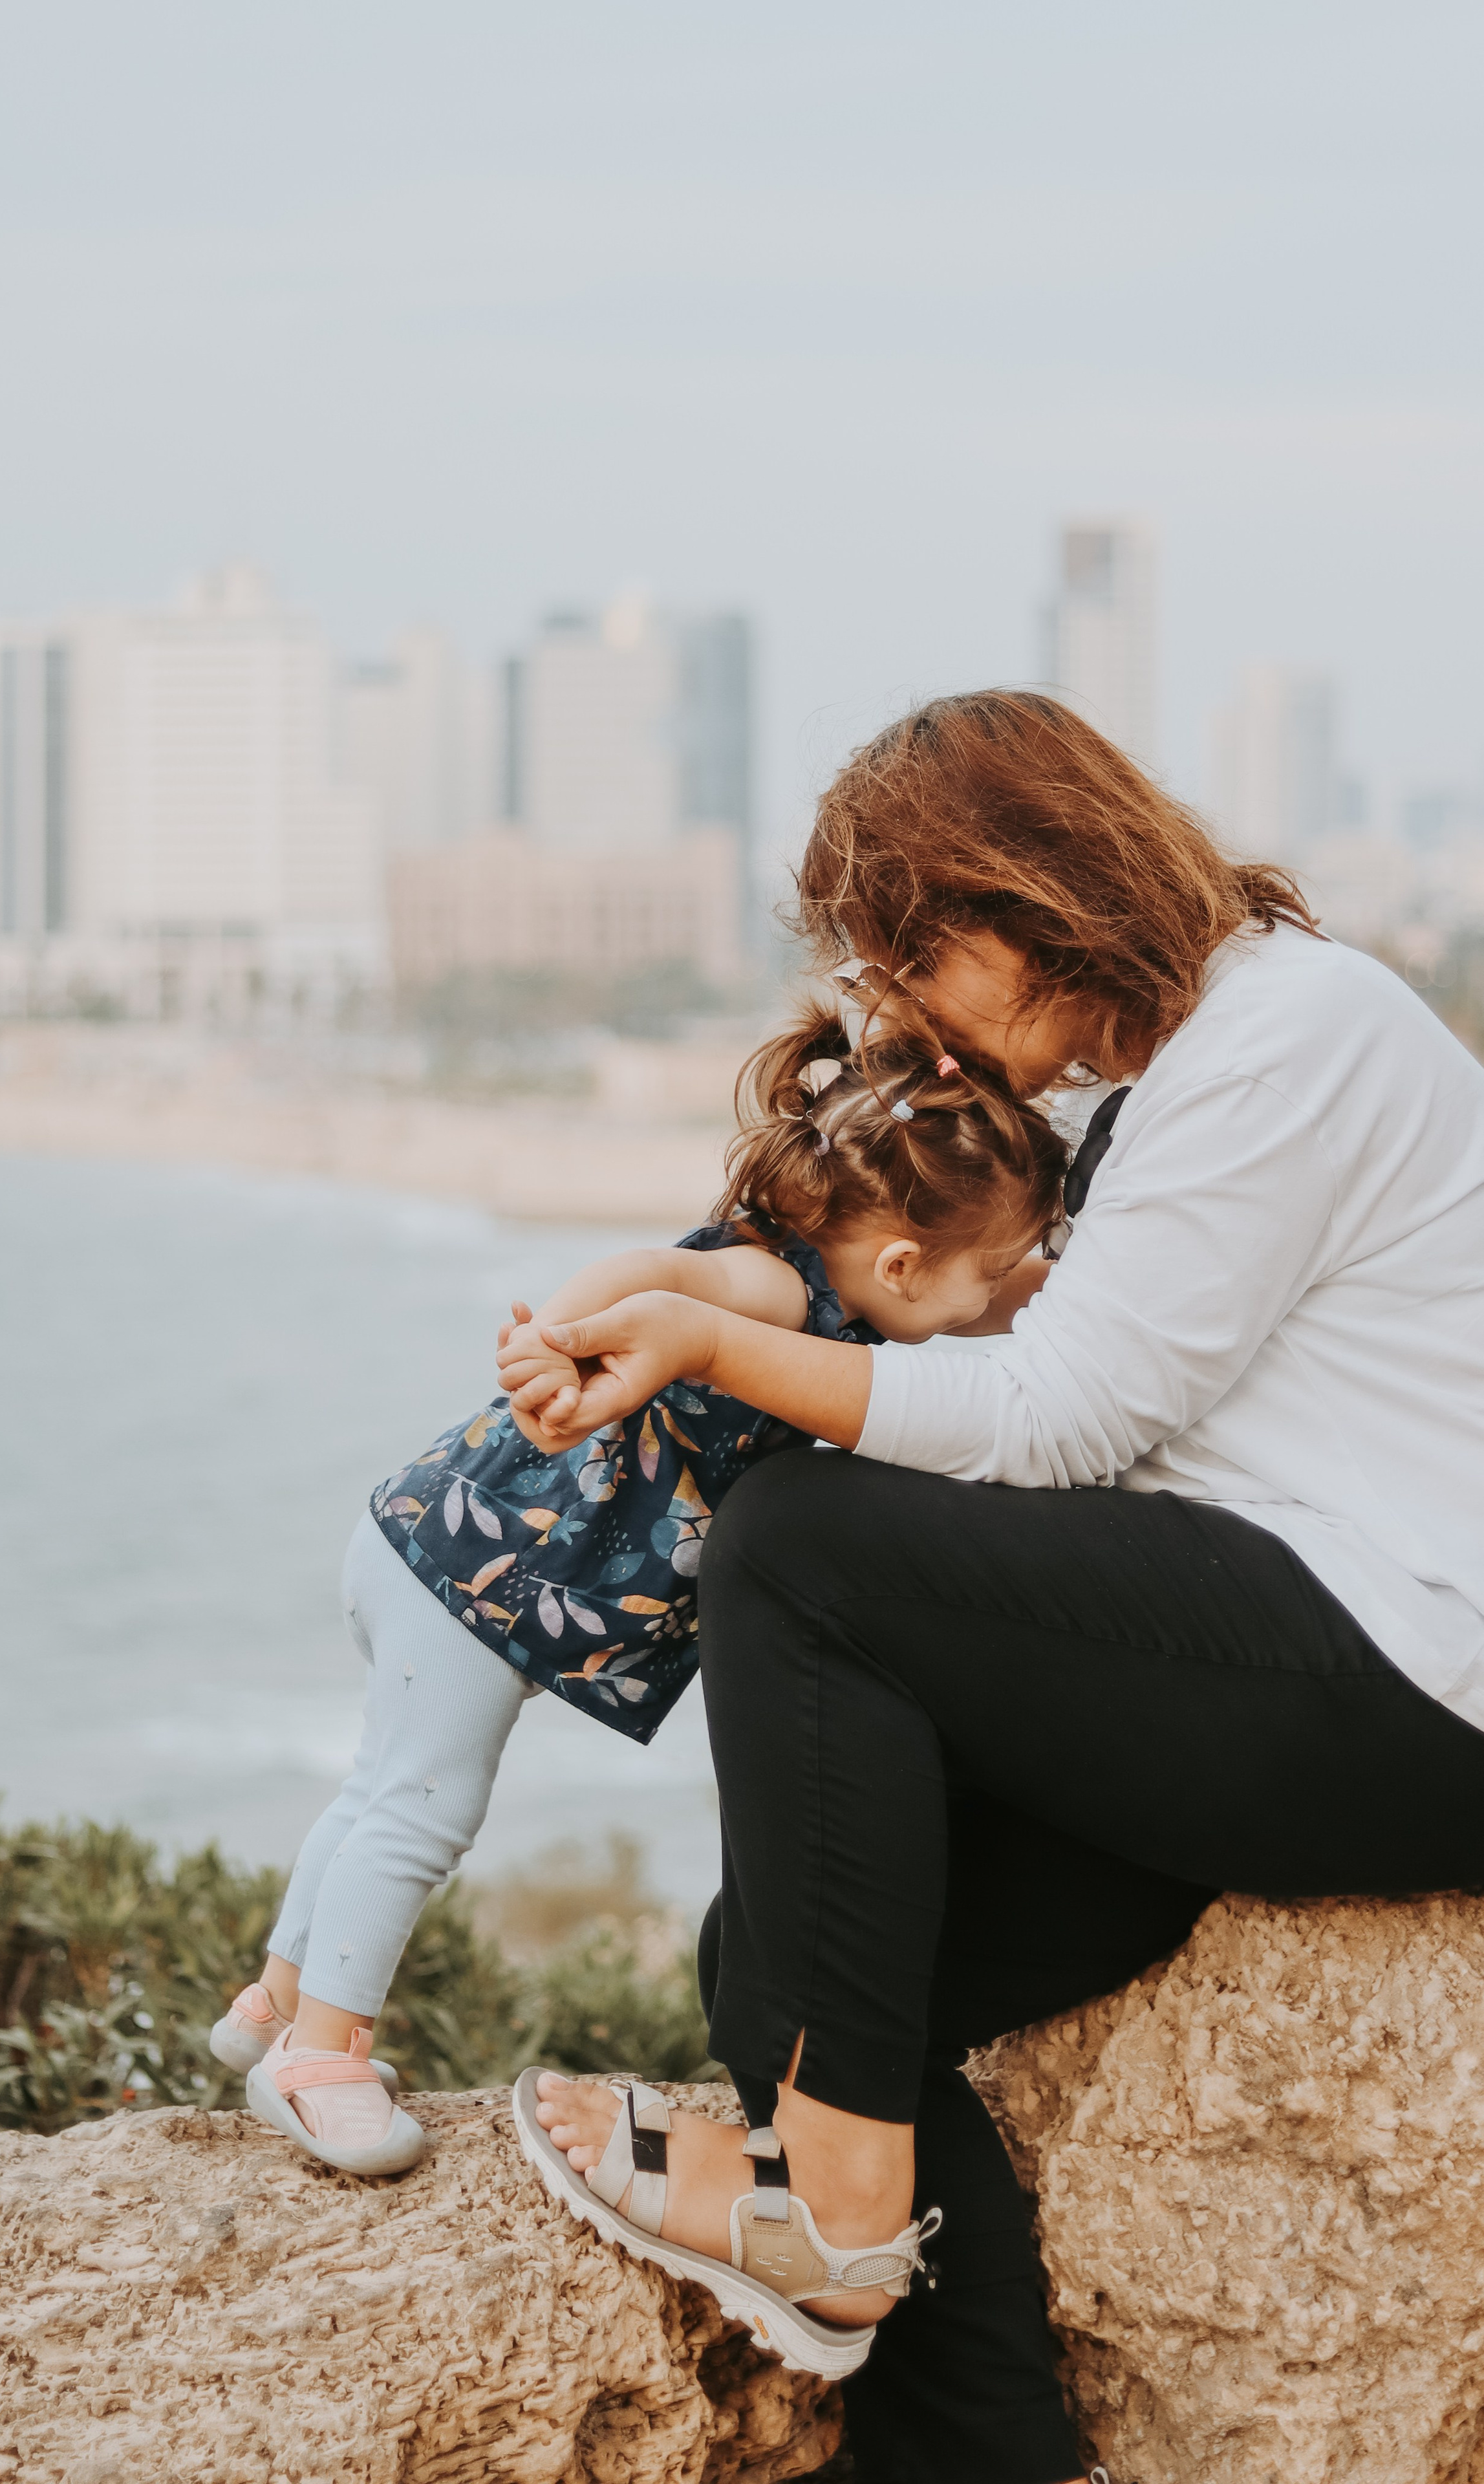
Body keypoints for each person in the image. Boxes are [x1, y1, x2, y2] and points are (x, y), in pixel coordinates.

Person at [511, 691, 1484, 2484]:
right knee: (797, 1963)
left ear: (1032, 892)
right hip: (1272, 1652)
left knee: (805, 1550)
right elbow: (961, 1327)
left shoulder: (1294, 1035)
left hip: (1413, 1666)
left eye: (907, 961)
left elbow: (1056, 1416)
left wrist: (712, 1367)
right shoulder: (1161, 1082)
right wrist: (682, 1294)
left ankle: (840, 2207)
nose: (893, 1019)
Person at [210, 992, 1066, 2180]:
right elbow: (652, 1271)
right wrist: (553, 1337)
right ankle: (320, 2057)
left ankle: (276, 1998)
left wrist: (1060, 1277)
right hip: (476, 1586)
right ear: (904, 1261)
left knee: (375, 1787)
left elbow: (971, 1302)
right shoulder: (777, 1295)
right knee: (422, 1809)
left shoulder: (825, 1269)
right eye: (985, 1277)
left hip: (428, 1543)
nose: (994, 1298)